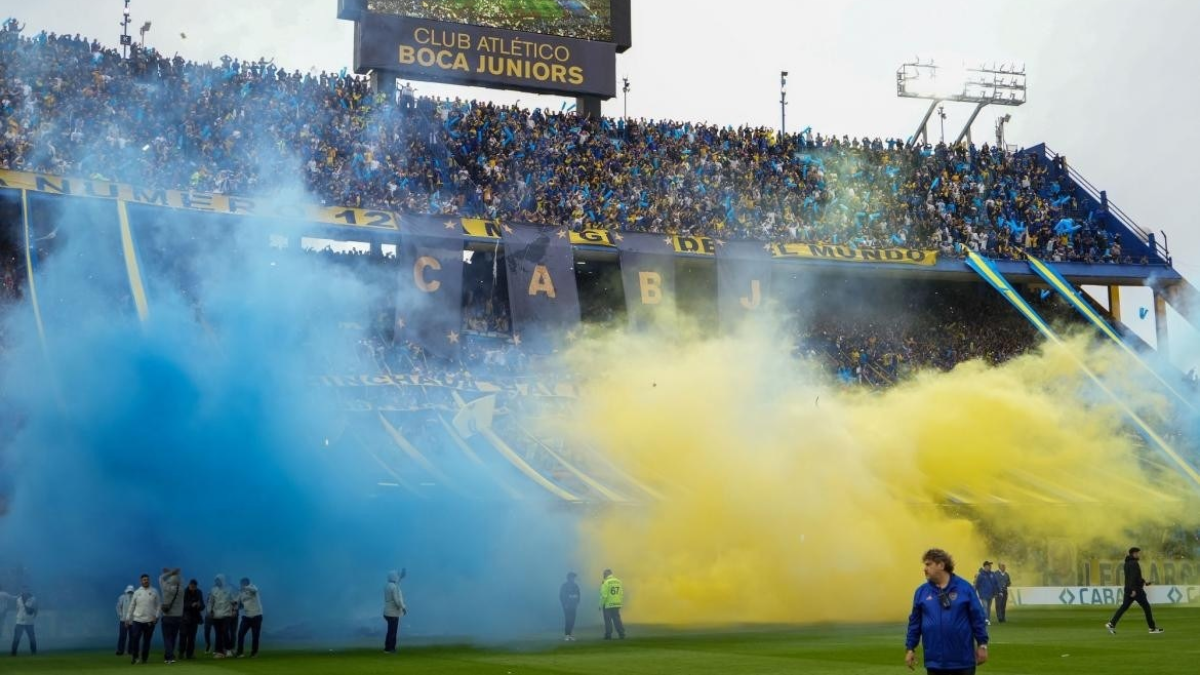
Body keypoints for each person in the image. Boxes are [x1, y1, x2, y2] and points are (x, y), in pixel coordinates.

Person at [905, 548, 989, 675]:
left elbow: (977, 618)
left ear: (941, 565)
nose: (925, 569)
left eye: (928, 564)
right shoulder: (921, 592)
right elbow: (915, 623)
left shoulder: (964, 588)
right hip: (934, 663)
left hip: (962, 662)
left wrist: (982, 645)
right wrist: (910, 648)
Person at [1106, 547, 1163, 634]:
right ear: (1133, 554)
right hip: (1136, 590)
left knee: (1124, 607)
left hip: (1128, 589)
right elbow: (1134, 577)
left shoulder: (1127, 563)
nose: (1138, 554)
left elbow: (1134, 577)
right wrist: (1134, 589)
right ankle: (1152, 628)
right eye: (1137, 553)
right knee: (1147, 608)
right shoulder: (1134, 563)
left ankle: (1112, 623)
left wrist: (1144, 582)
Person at [126, 574, 160, 665]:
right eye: (144, 580)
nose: (146, 581)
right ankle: (135, 657)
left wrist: (156, 616)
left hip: (150, 621)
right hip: (137, 620)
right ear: (141, 581)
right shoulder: (137, 592)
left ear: (149, 580)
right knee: (135, 639)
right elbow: (132, 606)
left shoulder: (154, 591)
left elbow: (158, 605)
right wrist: (127, 618)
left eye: (147, 579)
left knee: (147, 641)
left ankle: (144, 658)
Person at [159, 567, 184, 664]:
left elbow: (161, 578)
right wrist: (175, 574)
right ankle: (168, 656)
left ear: (170, 581)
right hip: (178, 617)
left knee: (167, 638)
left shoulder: (166, 588)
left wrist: (170, 573)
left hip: (167, 616)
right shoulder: (181, 590)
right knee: (173, 637)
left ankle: (170, 657)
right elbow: (180, 581)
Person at [207, 575, 233, 658]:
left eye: (218, 580)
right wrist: (209, 611)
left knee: (225, 631)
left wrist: (234, 610)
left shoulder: (229, 589)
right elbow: (210, 602)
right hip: (216, 615)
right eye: (216, 580)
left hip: (226, 614)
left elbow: (234, 600)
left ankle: (228, 649)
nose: (216, 582)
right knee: (218, 634)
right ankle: (219, 652)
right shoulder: (213, 590)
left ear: (222, 580)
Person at [235, 578, 263, 658]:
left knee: (255, 636)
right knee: (240, 634)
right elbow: (238, 604)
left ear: (247, 583)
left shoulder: (253, 588)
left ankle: (254, 653)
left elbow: (255, 590)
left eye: (243, 583)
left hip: (256, 615)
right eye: (241, 583)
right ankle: (240, 653)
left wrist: (245, 587)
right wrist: (235, 604)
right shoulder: (241, 592)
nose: (241, 585)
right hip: (246, 617)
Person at [383, 569, 407, 654]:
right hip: (393, 612)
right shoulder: (394, 587)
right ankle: (390, 649)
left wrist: (401, 577)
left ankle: (388, 648)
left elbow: (396, 584)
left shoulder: (388, 586)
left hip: (387, 612)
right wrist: (403, 607)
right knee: (393, 631)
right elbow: (398, 600)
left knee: (390, 631)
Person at [181, 579, 204, 660]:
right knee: (183, 636)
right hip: (185, 618)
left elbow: (202, 606)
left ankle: (189, 654)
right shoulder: (184, 592)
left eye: (194, 587)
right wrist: (191, 605)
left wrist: (199, 605)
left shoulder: (199, 592)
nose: (193, 588)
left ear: (196, 586)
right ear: (189, 585)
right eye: (191, 586)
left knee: (192, 637)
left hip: (194, 618)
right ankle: (181, 653)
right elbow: (181, 606)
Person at [10, 587, 37, 656]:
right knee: (16, 638)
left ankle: (34, 652)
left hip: (29, 622)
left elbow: (36, 608)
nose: (24, 591)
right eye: (22, 590)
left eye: (25, 590)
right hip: (19, 621)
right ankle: (13, 653)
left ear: (28, 590)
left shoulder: (32, 598)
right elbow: (17, 608)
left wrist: (33, 617)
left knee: (32, 638)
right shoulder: (18, 599)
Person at [599, 569, 625, 640]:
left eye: (604, 574)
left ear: (606, 574)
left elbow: (604, 595)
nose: (603, 576)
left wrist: (601, 605)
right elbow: (621, 593)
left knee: (608, 620)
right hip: (616, 604)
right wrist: (619, 602)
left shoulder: (606, 582)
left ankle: (608, 635)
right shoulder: (618, 581)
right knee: (617, 619)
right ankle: (621, 633)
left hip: (608, 604)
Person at [973, 561, 998, 625]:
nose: (990, 567)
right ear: (985, 566)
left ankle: (987, 619)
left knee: (988, 608)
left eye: (990, 565)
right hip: (983, 594)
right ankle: (986, 620)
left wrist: (996, 592)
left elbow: (995, 583)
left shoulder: (992, 574)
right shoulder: (980, 575)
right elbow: (977, 584)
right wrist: (973, 592)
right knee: (985, 607)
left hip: (991, 594)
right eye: (989, 565)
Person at [559, 572, 581, 641]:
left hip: (573, 606)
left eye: (574, 577)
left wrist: (577, 602)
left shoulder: (575, 586)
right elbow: (561, 596)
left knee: (572, 620)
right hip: (567, 606)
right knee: (568, 620)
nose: (573, 579)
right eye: (572, 577)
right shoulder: (564, 586)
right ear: (569, 578)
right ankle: (567, 635)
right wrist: (564, 604)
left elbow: (578, 595)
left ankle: (570, 634)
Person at [115, 585, 134, 656]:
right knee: (122, 636)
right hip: (123, 620)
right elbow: (118, 607)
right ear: (126, 590)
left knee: (132, 636)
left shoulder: (135, 597)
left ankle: (131, 650)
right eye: (129, 591)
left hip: (133, 620)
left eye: (131, 591)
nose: (130, 593)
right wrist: (121, 615)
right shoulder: (122, 597)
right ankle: (120, 650)